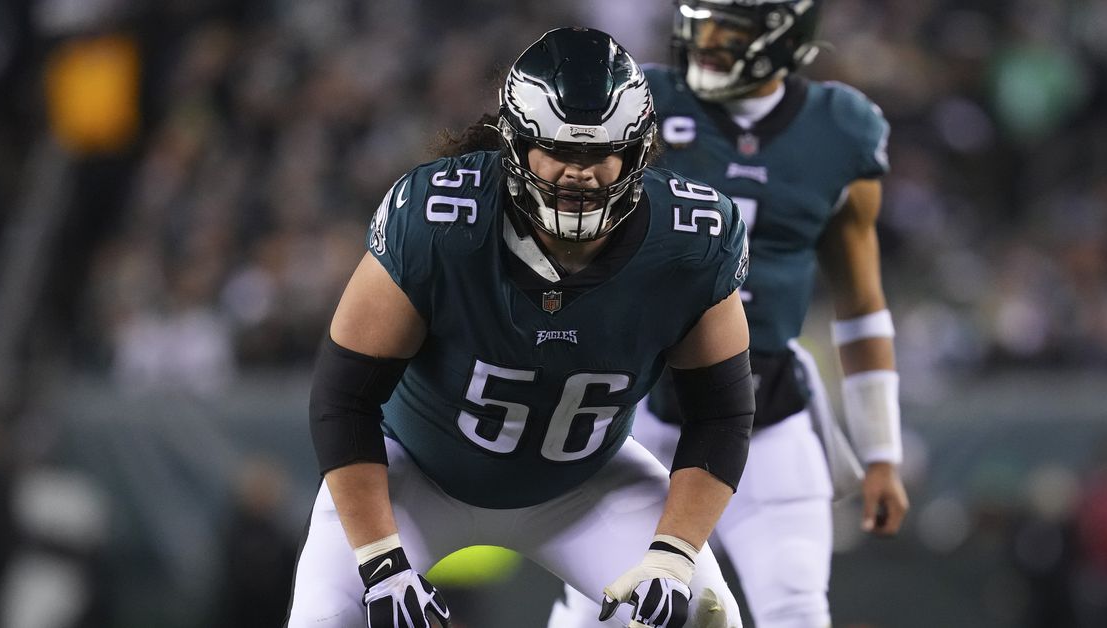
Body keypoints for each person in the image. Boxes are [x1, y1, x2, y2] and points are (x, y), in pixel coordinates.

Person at [285, 27, 756, 628]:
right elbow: (342, 398)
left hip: (586, 484)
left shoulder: (690, 242)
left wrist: (674, 553)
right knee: (327, 618)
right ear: (515, 144)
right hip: (416, 474)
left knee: (706, 615)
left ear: (637, 153)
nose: (579, 173)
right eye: (557, 150)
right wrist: (381, 562)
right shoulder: (440, 222)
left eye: (599, 153)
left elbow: (721, 415)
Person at [549, 2, 910, 627]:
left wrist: (881, 451)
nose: (709, 41)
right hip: (642, 404)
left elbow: (860, 304)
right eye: (701, 21)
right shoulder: (642, 101)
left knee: (795, 608)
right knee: (596, 610)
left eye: (731, 29)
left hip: (766, 413)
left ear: (787, 38)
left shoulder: (840, 129)